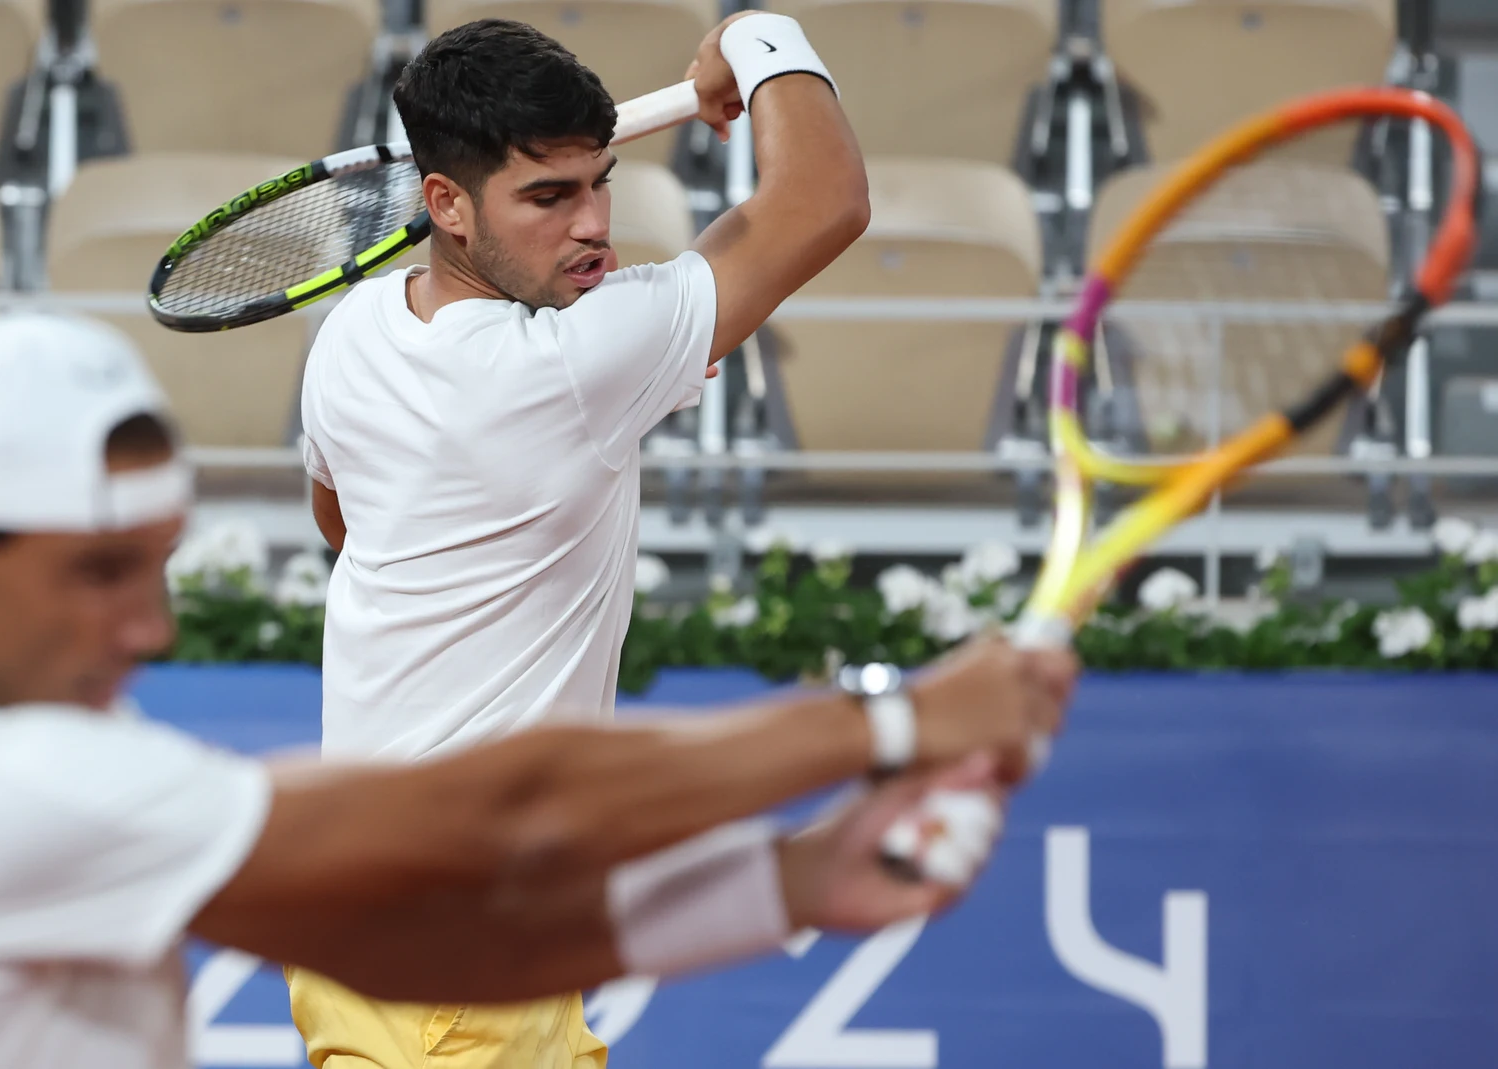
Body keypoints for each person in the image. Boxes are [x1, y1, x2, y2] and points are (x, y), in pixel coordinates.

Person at [0, 312, 1075, 1069]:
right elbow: (496, 821)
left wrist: (788, 881)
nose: (151, 628)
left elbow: (424, 945)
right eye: (100, 573)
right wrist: (892, 720)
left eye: (156, 568)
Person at [293, 13, 997, 1069]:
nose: (591, 228)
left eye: (598, 183)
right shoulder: (569, 366)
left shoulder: (352, 333)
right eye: (547, 197)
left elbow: (341, 522)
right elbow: (825, 196)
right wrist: (757, 36)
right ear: (442, 204)